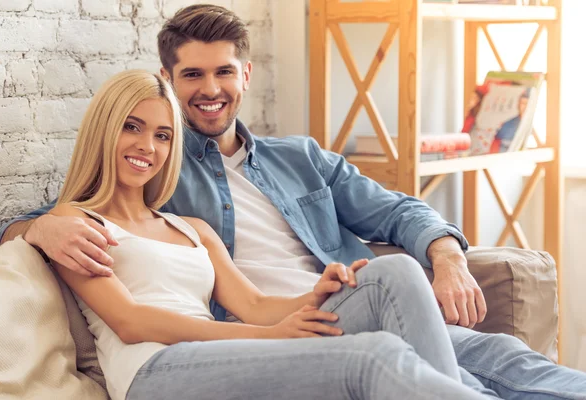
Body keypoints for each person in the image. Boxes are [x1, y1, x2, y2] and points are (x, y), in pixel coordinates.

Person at [0, 4, 586, 400]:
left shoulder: (292, 163)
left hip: (318, 309)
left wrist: (445, 257)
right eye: (191, 76)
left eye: (222, 72)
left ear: (246, 75)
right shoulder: (138, 190)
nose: (209, 90)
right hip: (225, 346)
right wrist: (35, 230)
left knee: (497, 349)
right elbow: (53, 224)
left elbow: (398, 212)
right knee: (394, 356)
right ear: (171, 84)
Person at [43, 69, 492, 400]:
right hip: (153, 371)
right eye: (131, 127)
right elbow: (131, 321)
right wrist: (270, 337)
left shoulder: (190, 229)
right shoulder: (74, 223)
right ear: (104, 130)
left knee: (395, 271)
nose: (148, 147)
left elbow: (255, 305)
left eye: (163, 135)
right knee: (371, 356)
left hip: (214, 354)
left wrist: (316, 295)